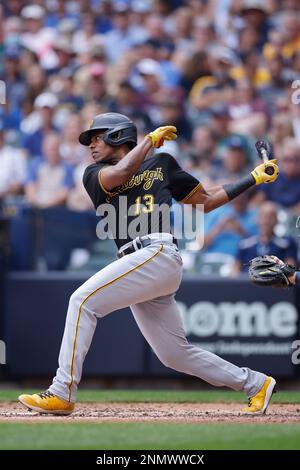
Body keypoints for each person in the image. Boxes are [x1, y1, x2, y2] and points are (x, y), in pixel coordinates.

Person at [19, 112, 279, 416]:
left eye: (97, 137)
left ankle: (61, 391)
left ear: (117, 135)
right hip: (138, 263)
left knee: (81, 301)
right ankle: (255, 384)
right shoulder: (93, 172)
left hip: (156, 251)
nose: (91, 144)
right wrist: (149, 142)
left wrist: (253, 177)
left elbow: (204, 202)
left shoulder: (162, 163)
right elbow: (121, 173)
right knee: (174, 354)